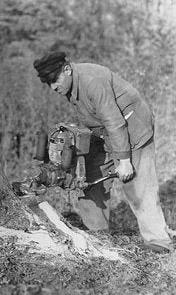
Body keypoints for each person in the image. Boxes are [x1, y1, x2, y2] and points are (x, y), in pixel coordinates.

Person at [33, 51, 173, 253]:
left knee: (138, 186)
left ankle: (159, 242)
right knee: (88, 180)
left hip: (133, 130)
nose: (53, 87)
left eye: (54, 80)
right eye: (48, 83)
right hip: (104, 133)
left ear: (67, 69)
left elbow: (115, 122)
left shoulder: (92, 81)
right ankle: (98, 237)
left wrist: (124, 160)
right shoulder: (71, 85)